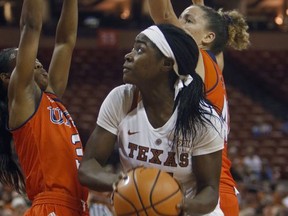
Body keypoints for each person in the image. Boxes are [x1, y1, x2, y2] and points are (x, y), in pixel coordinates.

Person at [79, 23, 225, 215]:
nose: (129, 55)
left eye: (140, 50)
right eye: (132, 48)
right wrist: (122, 183)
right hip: (135, 208)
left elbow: (210, 190)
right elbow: (88, 167)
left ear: (166, 64)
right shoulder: (121, 99)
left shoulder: (202, 119)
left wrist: (180, 206)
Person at [147, 0, 250, 215]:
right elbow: (216, 46)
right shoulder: (213, 64)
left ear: (207, 38)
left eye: (188, 20)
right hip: (209, 190)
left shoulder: (198, 57)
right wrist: (199, 7)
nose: (179, 23)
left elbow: (164, 16)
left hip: (207, 193)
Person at [0, 0, 89, 215]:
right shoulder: (22, 102)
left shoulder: (51, 96)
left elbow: (65, 42)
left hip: (77, 205)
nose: (37, 62)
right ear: (6, 79)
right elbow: (30, 27)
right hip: (51, 206)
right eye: (21, 59)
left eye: (37, 58)